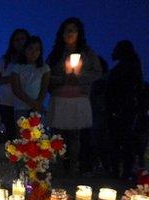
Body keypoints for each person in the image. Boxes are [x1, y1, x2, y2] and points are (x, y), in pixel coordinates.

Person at [46, 17, 101, 174]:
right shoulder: (56, 54)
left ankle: (72, 166)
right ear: (61, 33)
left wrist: (79, 78)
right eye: (66, 30)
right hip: (60, 97)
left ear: (79, 33)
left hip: (78, 98)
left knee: (75, 134)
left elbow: (97, 72)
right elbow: (46, 75)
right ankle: (57, 165)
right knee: (57, 134)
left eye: (73, 30)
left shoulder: (88, 53)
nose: (69, 33)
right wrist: (63, 79)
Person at [106, 40, 143, 179]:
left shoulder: (124, 69)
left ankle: (119, 171)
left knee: (119, 142)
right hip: (125, 110)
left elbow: (116, 90)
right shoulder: (132, 67)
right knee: (124, 142)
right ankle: (123, 171)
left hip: (121, 110)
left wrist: (115, 109)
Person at [0, 28, 29, 141]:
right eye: (16, 40)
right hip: (7, 102)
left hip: (25, 101)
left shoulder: (32, 59)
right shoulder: (5, 60)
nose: (20, 42)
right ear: (12, 43)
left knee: (26, 133)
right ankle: (13, 158)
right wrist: (10, 79)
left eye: (23, 39)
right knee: (11, 134)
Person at [11, 36, 50, 115]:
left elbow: (44, 88)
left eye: (37, 49)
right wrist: (32, 103)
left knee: (36, 127)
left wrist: (38, 103)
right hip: (21, 107)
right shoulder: (17, 67)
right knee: (23, 127)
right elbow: (16, 89)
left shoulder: (44, 68)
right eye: (30, 48)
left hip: (37, 108)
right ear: (25, 50)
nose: (33, 52)